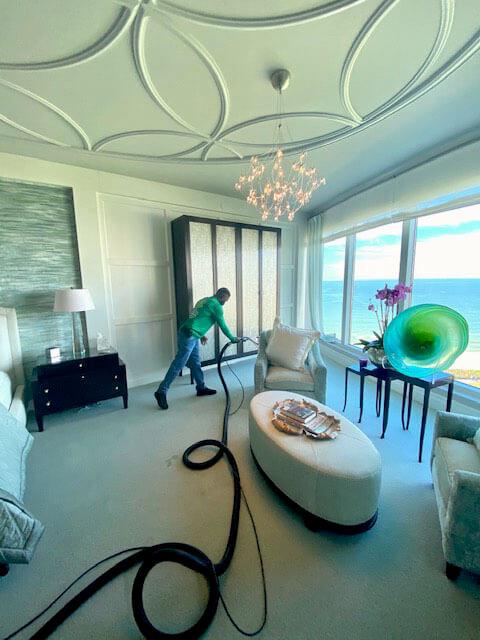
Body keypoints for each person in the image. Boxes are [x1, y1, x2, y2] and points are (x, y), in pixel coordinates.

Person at [154, 287, 238, 409]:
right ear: (221, 296)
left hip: (188, 333)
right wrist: (232, 338)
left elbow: (197, 318)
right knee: (178, 364)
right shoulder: (216, 306)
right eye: (225, 300)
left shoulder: (204, 300)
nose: (224, 303)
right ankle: (161, 391)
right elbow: (223, 325)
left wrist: (201, 335)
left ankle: (201, 388)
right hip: (190, 336)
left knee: (195, 363)